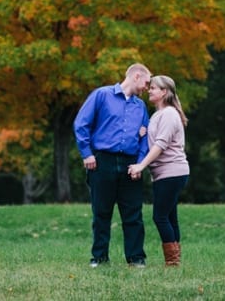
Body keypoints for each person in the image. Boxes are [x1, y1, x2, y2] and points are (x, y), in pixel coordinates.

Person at [73, 63, 152, 268]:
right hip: (102, 161)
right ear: (136, 76)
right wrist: (87, 153)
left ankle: (136, 259)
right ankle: (99, 258)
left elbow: (144, 138)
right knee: (101, 212)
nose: (147, 87)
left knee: (133, 213)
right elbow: (81, 123)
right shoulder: (102, 95)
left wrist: (139, 164)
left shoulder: (140, 107)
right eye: (146, 82)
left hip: (130, 164)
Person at [128, 75, 190, 266]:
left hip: (172, 172)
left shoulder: (169, 114)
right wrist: (142, 134)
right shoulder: (157, 115)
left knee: (160, 216)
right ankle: (175, 260)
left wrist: (141, 165)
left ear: (164, 92)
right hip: (165, 174)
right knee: (170, 216)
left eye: (153, 88)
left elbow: (161, 145)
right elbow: (154, 141)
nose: (149, 90)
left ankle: (172, 262)